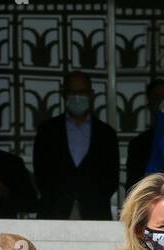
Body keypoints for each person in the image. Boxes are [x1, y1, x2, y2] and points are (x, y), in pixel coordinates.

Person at [32, 71, 120, 220]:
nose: (77, 97)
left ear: (91, 94)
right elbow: (41, 174)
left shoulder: (106, 133)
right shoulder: (47, 130)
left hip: (95, 213)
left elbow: (112, 178)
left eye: (82, 92)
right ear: (63, 94)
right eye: (72, 92)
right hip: (54, 213)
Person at [125, 77, 164, 192]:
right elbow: (133, 188)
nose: (162, 102)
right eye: (157, 98)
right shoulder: (138, 145)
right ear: (149, 102)